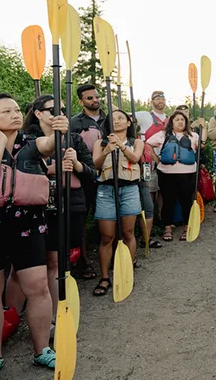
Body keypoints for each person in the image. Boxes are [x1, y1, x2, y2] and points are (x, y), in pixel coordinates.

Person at [0, 93, 59, 375]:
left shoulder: (32, 145)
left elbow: (49, 144)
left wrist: (57, 129)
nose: (15, 114)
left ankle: (42, 350)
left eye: (18, 110)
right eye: (6, 111)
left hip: (28, 224)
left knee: (38, 287)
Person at [3, 95, 95, 323]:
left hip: (63, 207)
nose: (60, 114)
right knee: (20, 266)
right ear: (38, 113)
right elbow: (12, 170)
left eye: (63, 110)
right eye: (53, 110)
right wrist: (52, 169)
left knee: (55, 263)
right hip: (29, 209)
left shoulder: (73, 139)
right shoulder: (23, 138)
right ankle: (9, 320)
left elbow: (93, 174)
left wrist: (76, 165)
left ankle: (54, 317)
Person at [90, 109, 144, 296]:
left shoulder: (136, 142)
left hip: (129, 189)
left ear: (129, 122)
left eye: (121, 118)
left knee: (128, 232)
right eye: (113, 119)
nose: (118, 121)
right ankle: (105, 277)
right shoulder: (100, 142)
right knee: (107, 237)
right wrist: (106, 151)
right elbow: (95, 165)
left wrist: (120, 145)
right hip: (106, 190)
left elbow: (135, 158)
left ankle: (127, 270)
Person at [147, 111, 200, 241]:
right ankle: (167, 228)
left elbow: (200, 147)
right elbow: (148, 143)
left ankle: (187, 228)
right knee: (168, 201)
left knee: (186, 201)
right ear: (172, 121)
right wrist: (157, 160)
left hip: (188, 173)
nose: (180, 122)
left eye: (182, 119)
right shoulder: (163, 135)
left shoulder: (193, 136)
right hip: (166, 173)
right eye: (177, 119)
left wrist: (202, 127)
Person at [69, 84, 105, 279]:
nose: (95, 100)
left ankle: (111, 252)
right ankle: (82, 261)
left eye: (96, 96)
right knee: (82, 219)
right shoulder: (74, 123)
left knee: (108, 217)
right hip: (85, 176)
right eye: (89, 98)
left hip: (110, 175)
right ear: (81, 101)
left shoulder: (110, 119)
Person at [138, 91, 169, 249]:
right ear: (151, 102)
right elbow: (123, 116)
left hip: (167, 163)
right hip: (149, 163)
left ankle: (162, 223)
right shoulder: (145, 116)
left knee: (162, 194)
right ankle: (146, 233)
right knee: (149, 195)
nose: (160, 101)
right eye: (157, 98)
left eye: (162, 98)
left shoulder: (169, 119)